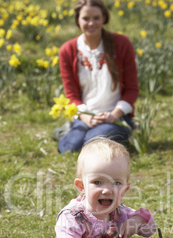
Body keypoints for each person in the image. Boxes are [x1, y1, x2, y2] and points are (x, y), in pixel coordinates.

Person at [57, 0, 139, 154]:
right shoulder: (67, 50)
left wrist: (114, 114)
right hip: (86, 116)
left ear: (104, 18)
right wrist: (85, 117)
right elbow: (71, 95)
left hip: (116, 117)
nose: (91, 23)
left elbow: (132, 90)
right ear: (77, 20)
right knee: (69, 149)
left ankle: (89, 133)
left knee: (92, 143)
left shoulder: (121, 44)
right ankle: (68, 131)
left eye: (96, 18)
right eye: (86, 18)